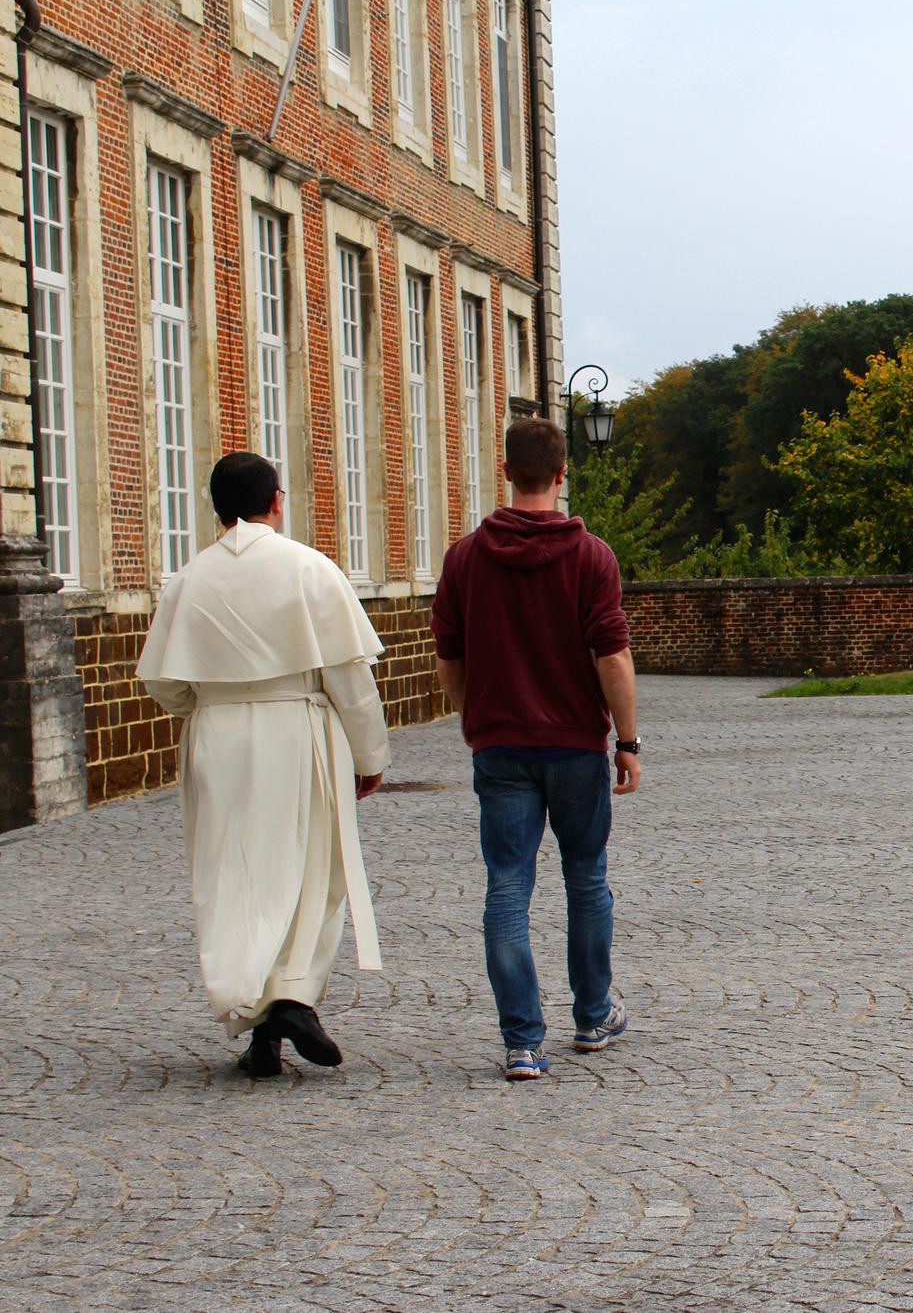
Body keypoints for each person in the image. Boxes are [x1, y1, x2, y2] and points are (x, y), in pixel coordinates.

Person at [138, 452, 390, 1078]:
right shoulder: (309, 569)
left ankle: (261, 1025)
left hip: (216, 739)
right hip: (297, 729)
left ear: (216, 508)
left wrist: (213, 703)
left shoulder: (189, 581)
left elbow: (165, 685)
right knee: (310, 868)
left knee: (234, 872)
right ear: (277, 501)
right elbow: (347, 675)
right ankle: (292, 995)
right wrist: (369, 753)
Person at [430, 416, 642, 1081]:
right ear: (561, 475)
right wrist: (627, 740)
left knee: (507, 886)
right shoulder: (591, 556)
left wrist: (475, 719)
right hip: (575, 742)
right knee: (586, 877)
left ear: (505, 471)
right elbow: (612, 657)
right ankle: (592, 1013)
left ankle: (522, 1041)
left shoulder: (465, 557)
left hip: (500, 745)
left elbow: (449, 656)